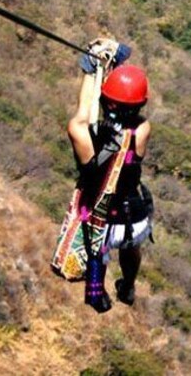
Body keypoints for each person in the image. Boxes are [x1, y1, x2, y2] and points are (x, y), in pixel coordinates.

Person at [66, 39, 152, 312]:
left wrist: (91, 68)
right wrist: (115, 60)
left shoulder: (82, 134)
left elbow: (84, 112)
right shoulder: (142, 130)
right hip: (132, 217)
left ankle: (96, 290)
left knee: (97, 245)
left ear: (105, 99)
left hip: (99, 218)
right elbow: (125, 101)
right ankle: (127, 284)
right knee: (131, 245)